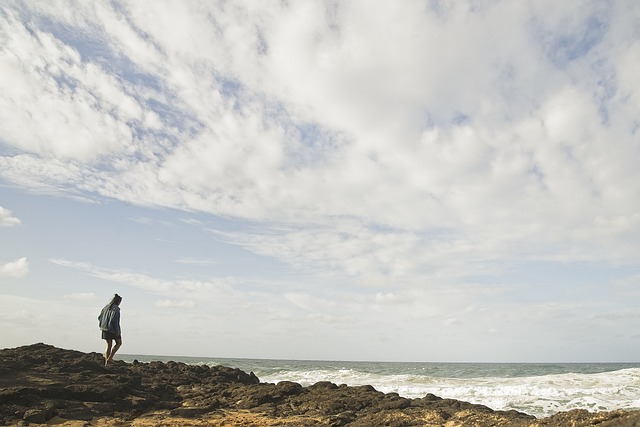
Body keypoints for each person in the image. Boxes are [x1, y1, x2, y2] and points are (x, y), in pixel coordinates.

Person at [98, 294, 122, 366]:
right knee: (119, 343)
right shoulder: (116, 309)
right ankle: (109, 359)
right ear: (118, 301)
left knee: (109, 345)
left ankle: (106, 362)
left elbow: (99, 317)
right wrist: (117, 331)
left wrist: (102, 325)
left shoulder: (105, 307)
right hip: (112, 329)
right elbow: (115, 321)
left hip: (104, 328)